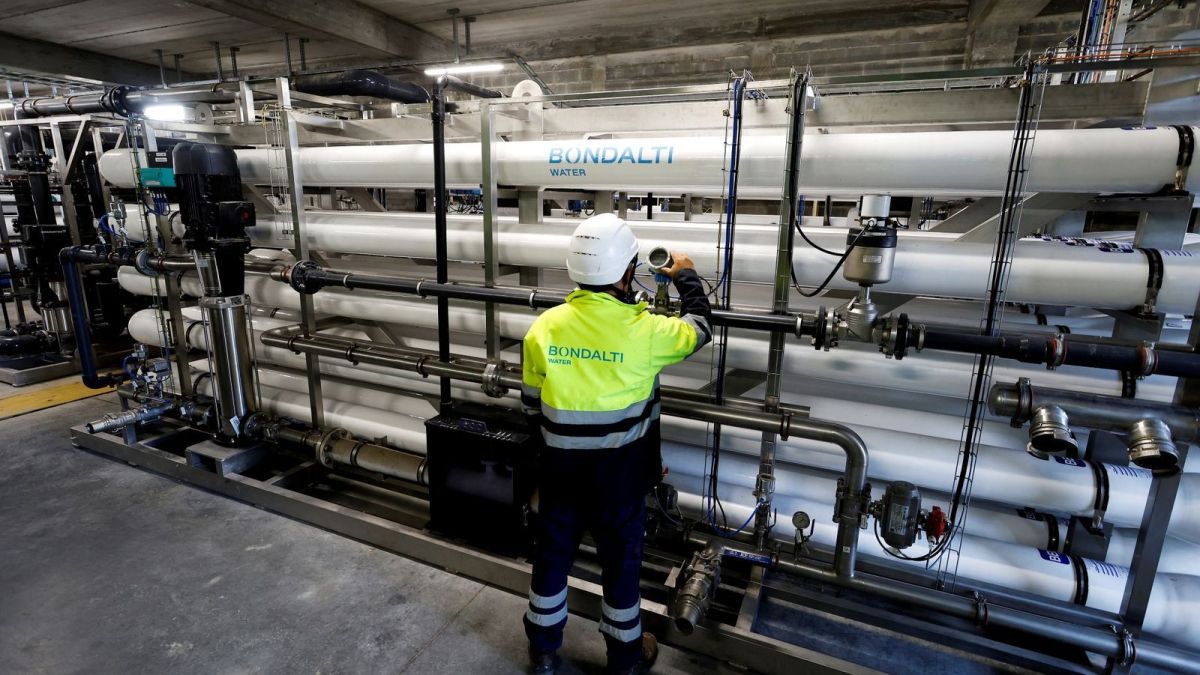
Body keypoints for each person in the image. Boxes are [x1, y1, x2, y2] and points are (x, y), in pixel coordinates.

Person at [520, 213, 713, 674]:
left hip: (561, 477)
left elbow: (531, 406)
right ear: (627, 272)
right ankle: (626, 658)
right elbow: (701, 326)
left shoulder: (544, 328)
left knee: (551, 561)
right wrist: (685, 274)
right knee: (621, 568)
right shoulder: (647, 333)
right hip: (620, 483)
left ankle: (544, 652)